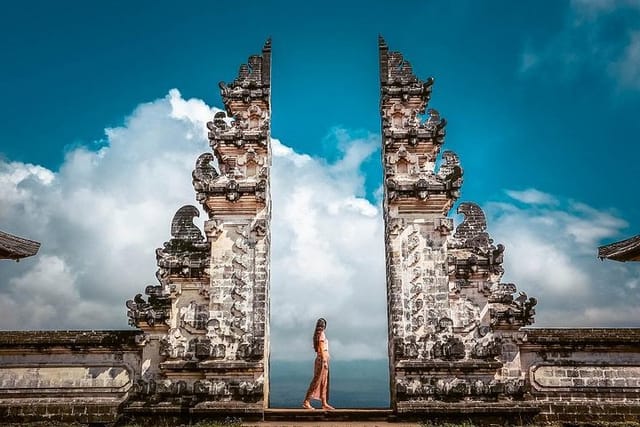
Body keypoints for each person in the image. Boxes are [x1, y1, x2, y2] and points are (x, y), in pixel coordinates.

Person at [302, 318, 334, 410]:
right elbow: (321, 347)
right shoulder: (321, 335)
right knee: (317, 380)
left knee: (324, 381)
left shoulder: (317, 335)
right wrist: (324, 360)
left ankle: (324, 402)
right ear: (325, 326)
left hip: (321, 359)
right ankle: (306, 401)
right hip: (322, 359)